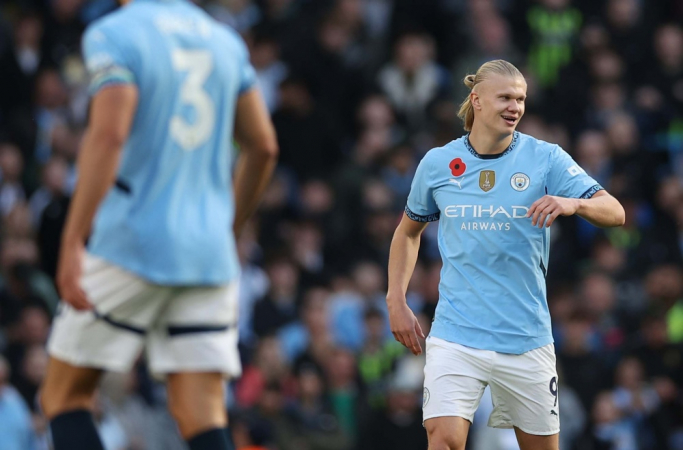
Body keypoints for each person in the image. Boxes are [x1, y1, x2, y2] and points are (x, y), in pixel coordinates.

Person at [38, 0, 278, 449]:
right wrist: (228, 227)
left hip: (132, 244)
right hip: (209, 256)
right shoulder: (224, 41)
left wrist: (72, 240)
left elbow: (109, 133)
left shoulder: (115, 33)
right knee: (200, 411)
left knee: (64, 394)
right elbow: (263, 146)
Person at [386, 60, 625, 450]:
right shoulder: (438, 163)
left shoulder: (546, 158)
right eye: (505, 98)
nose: (514, 107)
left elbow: (615, 212)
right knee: (443, 440)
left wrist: (573, 204)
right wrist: (396, 299)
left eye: (520, 99)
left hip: (525, 337)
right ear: (476, 101)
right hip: (456, 334)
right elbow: (407, 233)